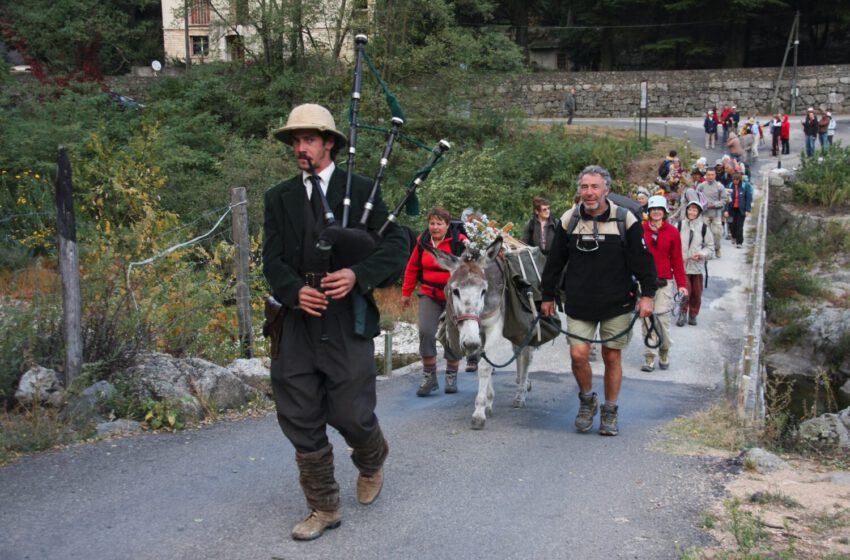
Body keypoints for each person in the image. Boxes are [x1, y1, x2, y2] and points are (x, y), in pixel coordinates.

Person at [262, 103, 407, 541]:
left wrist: (358, 275)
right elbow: (271, 258)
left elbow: (398, 244)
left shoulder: (360, 189)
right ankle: (323, 506)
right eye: (295, 140)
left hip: (345, 315)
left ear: (329, 143)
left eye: (308, 139)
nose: (300, 147)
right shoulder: (279, 197)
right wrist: (292, 290)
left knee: (350, 411)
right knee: (298, 410)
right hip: (298, 319)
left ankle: (371, 456)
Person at [540, 165, 657, 437]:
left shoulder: (625, 220)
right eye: (584, 187)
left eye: (594, 187)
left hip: (617, 301)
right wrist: (548, 295)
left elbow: (643, 262)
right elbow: (555, 262)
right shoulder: (570, 220)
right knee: (578, 354)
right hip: (580, 302)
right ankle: (587, 400)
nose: (589, 192)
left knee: (611, 356)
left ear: (607, 190)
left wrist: (648, 295)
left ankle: (610, 410)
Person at [402, 207, 470, 396]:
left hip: (453, 296)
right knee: (425, 330)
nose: (435, 227)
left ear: (447, 225)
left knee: (452, 334)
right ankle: (429, 377)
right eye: (432, 223)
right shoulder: (423, 241)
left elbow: (473, 263)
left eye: (439, 223)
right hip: (429, 293)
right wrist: (406, 293)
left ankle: (451, 375)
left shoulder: (459, 241)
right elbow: (412, 267)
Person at [640, 195, 687, 372]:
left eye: (659, 209)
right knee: (646, 321)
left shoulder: (672, 232)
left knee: (661, 320)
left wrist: (682, 284)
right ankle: (649, 357)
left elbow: (677, 260)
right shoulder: (640, 230)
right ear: (649, 212)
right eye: (653, 210)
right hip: (644, 283)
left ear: (665, 212)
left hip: (664, 282)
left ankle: (664, 350)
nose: (656, 212)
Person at [676, 200, 715, 327]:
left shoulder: (704, 228)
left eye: (694, 210)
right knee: (684, 292)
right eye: (690, 209)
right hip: (682, 266)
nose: (691, 212)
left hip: (697, 267)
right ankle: (682, 313)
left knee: (697, 294)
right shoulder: (679, 225)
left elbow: (710, 248)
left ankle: (693, 314)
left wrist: (701, 254)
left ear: (699, 212)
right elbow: (672, 243)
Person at [696, 168, 730, 258]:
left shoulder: (720, 186)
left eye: (712, 175)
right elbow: (696, 198)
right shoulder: (701, 186)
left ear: (715, 175)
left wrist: (714, 205)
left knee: (717, 233)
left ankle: (717, 248)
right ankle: (707, 252)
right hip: (704, 214)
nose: (710, 177)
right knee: (705, 234)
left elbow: (724, 200)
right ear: (706, 176)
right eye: (709, 175)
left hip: (716, 214)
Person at [724, 172, 753, 249]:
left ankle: (739, 242)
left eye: (737, 180)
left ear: (739, 180)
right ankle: (733, 236)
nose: (735, 181)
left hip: (741, 210)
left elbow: (748, 199)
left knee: (739, 226)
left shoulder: (745, 186)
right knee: (731, 225)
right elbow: (726, 199)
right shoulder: (729, 186)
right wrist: (726, 210)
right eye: (734, 180)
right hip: (731, 209)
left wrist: (748, 210)